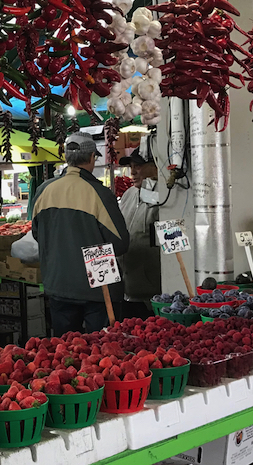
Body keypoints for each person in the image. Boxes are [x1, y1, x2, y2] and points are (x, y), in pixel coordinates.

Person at [31, 132, 130, 334]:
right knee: (101, 354)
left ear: (67, 158)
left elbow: (36, 234)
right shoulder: (99, 193)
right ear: (93, 157)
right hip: (98, 290)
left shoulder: (43, 190)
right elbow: (120, 244)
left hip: (57, 285)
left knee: (65, 352)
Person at [118, 152, 162, 320]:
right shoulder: (129, 194)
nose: (133, 172)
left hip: (153, 295)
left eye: (138, 166)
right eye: (131, 167)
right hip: (126, 289)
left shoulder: (166, 196)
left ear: (155, 166)